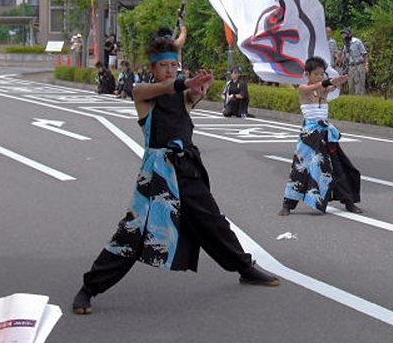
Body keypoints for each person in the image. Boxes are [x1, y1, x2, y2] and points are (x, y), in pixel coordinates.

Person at [72, 36, 279, 315]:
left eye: (174, 64)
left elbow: (189, 96)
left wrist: (200, 89)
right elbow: (162, 88)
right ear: (153, 68)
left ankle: (245, 267)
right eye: (164, 65)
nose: (170, 70)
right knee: (132, 233)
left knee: (213, 223)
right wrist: (185, 83)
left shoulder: (182, 95)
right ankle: (89, 288)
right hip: (157, 175)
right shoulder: (143, 92)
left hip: (187, 168)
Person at [279, 56, 362, 216]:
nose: (320, 76)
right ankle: (287, 205)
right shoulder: (303, 89)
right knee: (300, 170)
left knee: (339, 168)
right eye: (316, 73)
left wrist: (340, 80)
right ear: (307, 74)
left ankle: (349, 202)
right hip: (309, 137)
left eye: (322, 73)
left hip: (325, 135)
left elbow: (331, 86)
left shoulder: (324, 90)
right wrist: (329, 81)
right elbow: (320, 85)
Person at [341, 28, 368, 95]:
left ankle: (360, 102)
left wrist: (366, 65)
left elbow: (364, 54)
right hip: (350, 67)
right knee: (351, 87)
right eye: (343, 34)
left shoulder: (357, 42)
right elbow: (344, 57)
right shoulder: (345, 45)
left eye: (345, 34)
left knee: (359, 87)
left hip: (359, 65)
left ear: (349, 34)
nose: (344, 35)